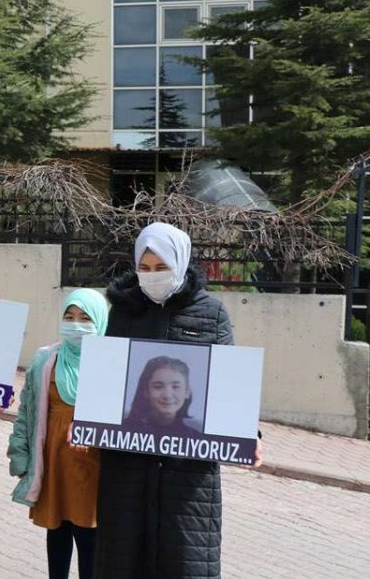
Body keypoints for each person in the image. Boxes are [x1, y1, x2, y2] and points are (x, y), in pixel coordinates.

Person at [93, 222, 262, 579]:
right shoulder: (122, 312)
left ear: (181, 264)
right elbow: (108, 382)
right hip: (127, 470)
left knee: (185, 564)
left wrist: (250, 434)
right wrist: (91, 422)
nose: (152, 276)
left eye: (162, 267)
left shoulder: (211, 313)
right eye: (145, 268)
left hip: (188, 476)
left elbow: (228, 384)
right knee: (122, 563)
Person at [9, 289, 110, 579]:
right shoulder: (46, 360)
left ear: (100, 322)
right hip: (53, 462)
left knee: (90, 537)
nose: (75, 324)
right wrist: (20, 456)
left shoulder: (111, 365)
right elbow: (27, 411)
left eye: (84, 318)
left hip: (92, 466)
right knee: (57, 532)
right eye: (69, 316)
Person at [123, 356, 202, 437]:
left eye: (175, 387)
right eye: (158, 387)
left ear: (187, 392)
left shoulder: (195, 438)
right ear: (146, 391)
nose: (167, 395)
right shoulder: (124, 431)